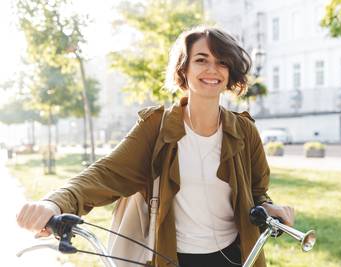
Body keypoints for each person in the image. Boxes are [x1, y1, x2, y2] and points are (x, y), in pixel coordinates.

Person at [16, 26, 294, 267]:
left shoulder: (244, 130)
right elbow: (105, 174)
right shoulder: (156, 127)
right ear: (183, 69)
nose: (212, 69)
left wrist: (269, 208)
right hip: (173, 257)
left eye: (222, 62)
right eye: (201, 59)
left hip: (236, 256)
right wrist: (54, 202)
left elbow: (257, 191)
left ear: (230, 71)